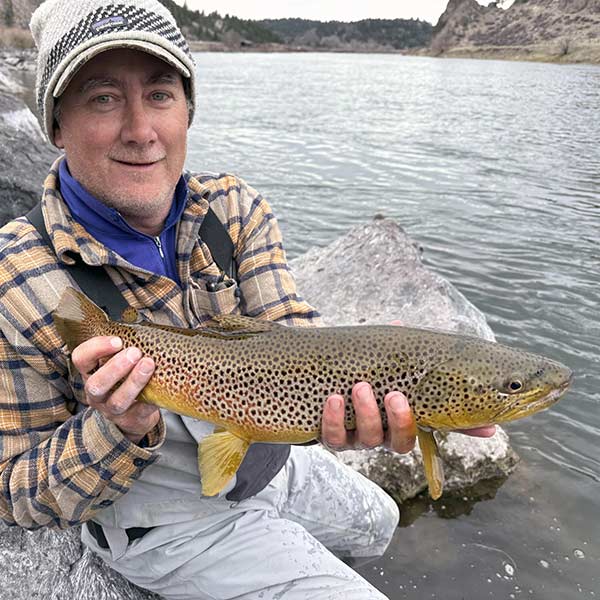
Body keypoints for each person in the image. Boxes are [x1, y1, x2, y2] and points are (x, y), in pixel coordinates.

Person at [0, 1, 495, 598]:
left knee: (380, 522)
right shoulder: (17, 276)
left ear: (188, 109)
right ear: (55, 124)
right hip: (161, 518)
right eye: (103, 98)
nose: (139, 129)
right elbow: (15, 492)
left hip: (264, 457)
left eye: (159, 94)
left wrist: (369, 360)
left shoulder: (234, 210)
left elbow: (292, 331)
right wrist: (119, 425)